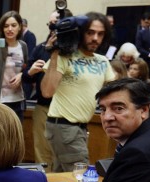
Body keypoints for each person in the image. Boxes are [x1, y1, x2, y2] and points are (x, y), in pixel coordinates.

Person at [41, 12, 116, 172]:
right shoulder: (64, 57)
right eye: (90, 33)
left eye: (100, 34)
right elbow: (47, 91)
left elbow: (114, 91)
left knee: (62, 177)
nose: (95, 38)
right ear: (80, 32)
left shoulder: (102, 61)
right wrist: (54, 54)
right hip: (64, 125)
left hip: (80, 127)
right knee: (80, 175)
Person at [21, 9, 69, 171]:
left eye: (56, 24)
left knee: (62, 153)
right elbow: (27, 78)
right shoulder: (41, 47)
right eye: (50, 24)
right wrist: (31, 71)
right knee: (42, 152)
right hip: (43, 106)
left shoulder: (74, 51)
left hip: (66, 109)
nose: (53, 28)